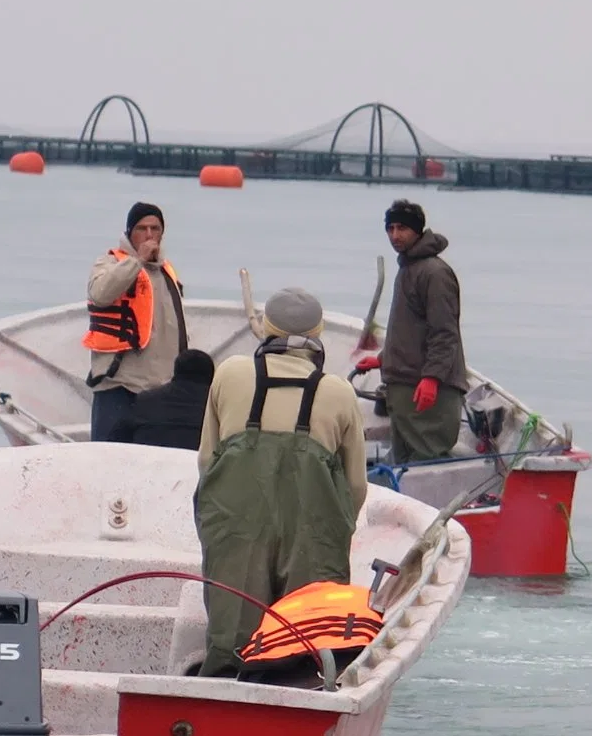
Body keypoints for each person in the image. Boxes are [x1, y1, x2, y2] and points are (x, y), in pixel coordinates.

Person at [193, 286, 370, 676]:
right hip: (313, 532)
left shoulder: (230, 374)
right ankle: (300, 691)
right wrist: (327, 529)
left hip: (237, 522)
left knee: (234, 626)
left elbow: (208, 461)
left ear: (265, 329)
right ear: (319, 334)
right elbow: (356, 486)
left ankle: (226, 689)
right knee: (305, 636)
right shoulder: (338, 392)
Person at [83, 202, 190, 441]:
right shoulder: (110, 262)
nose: (149, 235)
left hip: (160, 387)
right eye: (142, 228)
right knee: (109, 455)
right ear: (130, 232)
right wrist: (137, 261)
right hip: (119, 384)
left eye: (156, 228)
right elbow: (100, 293)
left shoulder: (166, 272)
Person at [376, 199, 466, 464]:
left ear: (417, 230)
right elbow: (409, 327)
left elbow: (444, 332)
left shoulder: (434, 273)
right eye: (390, 228)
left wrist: (432, 378)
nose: (395, 235)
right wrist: (383, 358)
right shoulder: (409, 269)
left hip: (424, 387)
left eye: (402, 228)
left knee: (426, 458)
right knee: (405, 460)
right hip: (404, 385)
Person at [125, 349, 216, 451]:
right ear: (211, 375)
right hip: (196, 465)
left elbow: (116, 438)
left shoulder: (145, 400)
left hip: (149, 463)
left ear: (176, 370)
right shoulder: (217, 406)